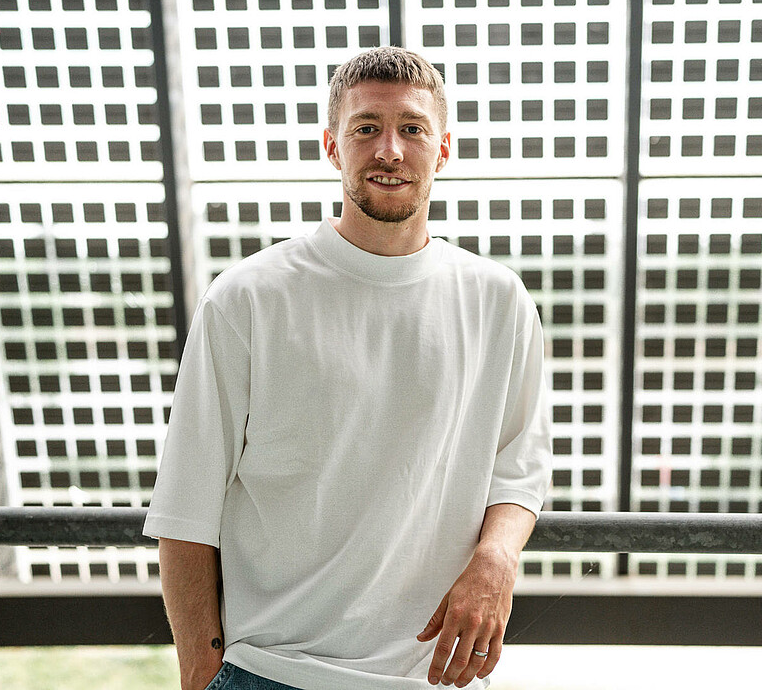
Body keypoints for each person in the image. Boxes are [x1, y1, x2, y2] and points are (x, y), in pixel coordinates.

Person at [144, 46, 552, 690]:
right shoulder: (248, 297)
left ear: (443, 148)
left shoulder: (497, 300)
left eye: (412, 129)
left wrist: (496, 559)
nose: (389, 150)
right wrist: (202, 671)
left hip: (435, 677)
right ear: (334, 147)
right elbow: (185, 509)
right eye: (366, 128)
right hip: (272, 672)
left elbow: (519, 466)